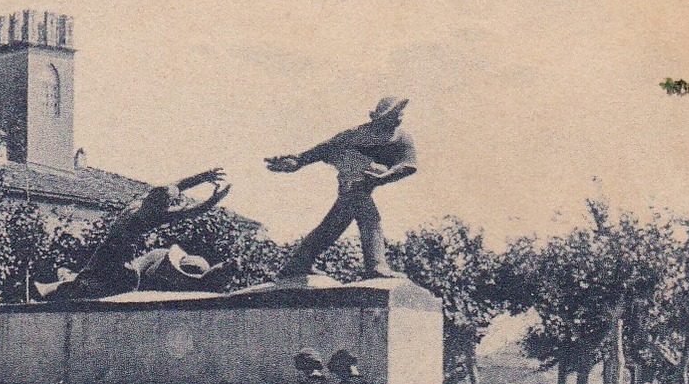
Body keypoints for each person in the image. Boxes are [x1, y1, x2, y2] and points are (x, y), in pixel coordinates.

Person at [266, 97, 417, 280]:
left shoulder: (402, 139)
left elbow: (408, 165)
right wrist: (298, 160)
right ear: (377, 117)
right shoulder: (357, 134)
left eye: (399, 113)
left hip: (365, 185)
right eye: (391, 114)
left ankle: (297, 264)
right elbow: (324, 149)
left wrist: (383, 178)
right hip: (352, 184)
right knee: (369, 217)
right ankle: (376, 266)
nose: (397, 117)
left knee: (331, 227)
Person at [35, 168, 230, 300]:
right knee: (118, 287)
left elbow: (176, 185)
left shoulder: (138, 204)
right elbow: (190, 211)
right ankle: (62, 288)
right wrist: (213, 200)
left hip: (106, 250)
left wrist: (202, 177)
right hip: (118, 258)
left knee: (91, 279)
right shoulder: (150, 217)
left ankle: (53, 287)